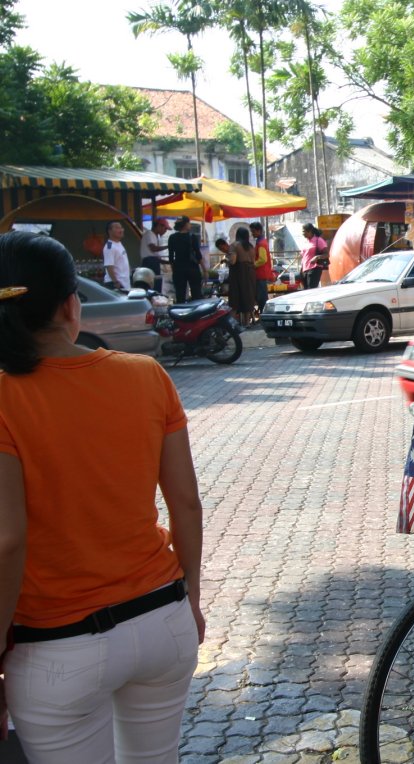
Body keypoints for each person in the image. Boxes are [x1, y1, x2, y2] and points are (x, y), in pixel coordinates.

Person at [0, 231, 204, 762]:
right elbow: (185, 502)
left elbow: (7, 539)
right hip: (162, 618)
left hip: (55, 645)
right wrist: (194, 598)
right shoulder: (144, 374)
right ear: (72, 304)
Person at [168, 216, 203, 302]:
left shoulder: (172, 237)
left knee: (180, 294)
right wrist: (205, 269)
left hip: (178, 268)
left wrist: (174, 269)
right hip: (192, 268)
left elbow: (171, 256)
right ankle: (196, 313)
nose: (190, 225)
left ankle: (181, 313)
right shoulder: (192, 237)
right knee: (196, 293)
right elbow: (198, 254)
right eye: (189, 223)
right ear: (185, 224)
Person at [228, 228, 258, 326]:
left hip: (239, 274)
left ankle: (231, 325)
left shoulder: (234, 245)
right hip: (251, 273)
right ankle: (247, 323)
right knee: (248, 298)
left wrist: (226, 260)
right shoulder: (251, 247)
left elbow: (233, 261)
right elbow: (253, 262)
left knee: (235, 299)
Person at [139, 218, 170, 294]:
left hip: (153, 261)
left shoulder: (156, 236)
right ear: (159, 226)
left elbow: (156, 256)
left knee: (156, 284)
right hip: (149, 262)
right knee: (151, 284)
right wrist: (168, 246)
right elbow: (153, 249)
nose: (165, 231)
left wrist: (168, 262)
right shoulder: (149, 233)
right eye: (165, 228)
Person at [249, 221, 273, 315]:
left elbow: (263, 259)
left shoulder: (261, 243)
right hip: (261, 273)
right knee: (261, 296)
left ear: (259, 231)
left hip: (261, 273)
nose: (252, 233)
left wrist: (253, 265)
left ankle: (264, 315)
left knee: (262, 297)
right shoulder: (261, 241)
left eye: (253, 231)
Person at [102, 221, 130, 291]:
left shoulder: (119, 243)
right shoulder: (109, 247)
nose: (121, 230)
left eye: (121, 228)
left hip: (124, 283)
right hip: (116, 284)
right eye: (117, 228)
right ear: (110, 231)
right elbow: (109, 266)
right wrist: (116, 282)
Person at [299, 222, 328, 290]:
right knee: (305, 291)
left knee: (311, 290)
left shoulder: (319, 240)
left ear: (310, 231)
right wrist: (301, 269)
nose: (302, 233)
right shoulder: (305, 242)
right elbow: (303, 257)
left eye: (304, 231)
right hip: (305, 269)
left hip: (315, 268)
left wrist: (317, 257)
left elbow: (327, 254)